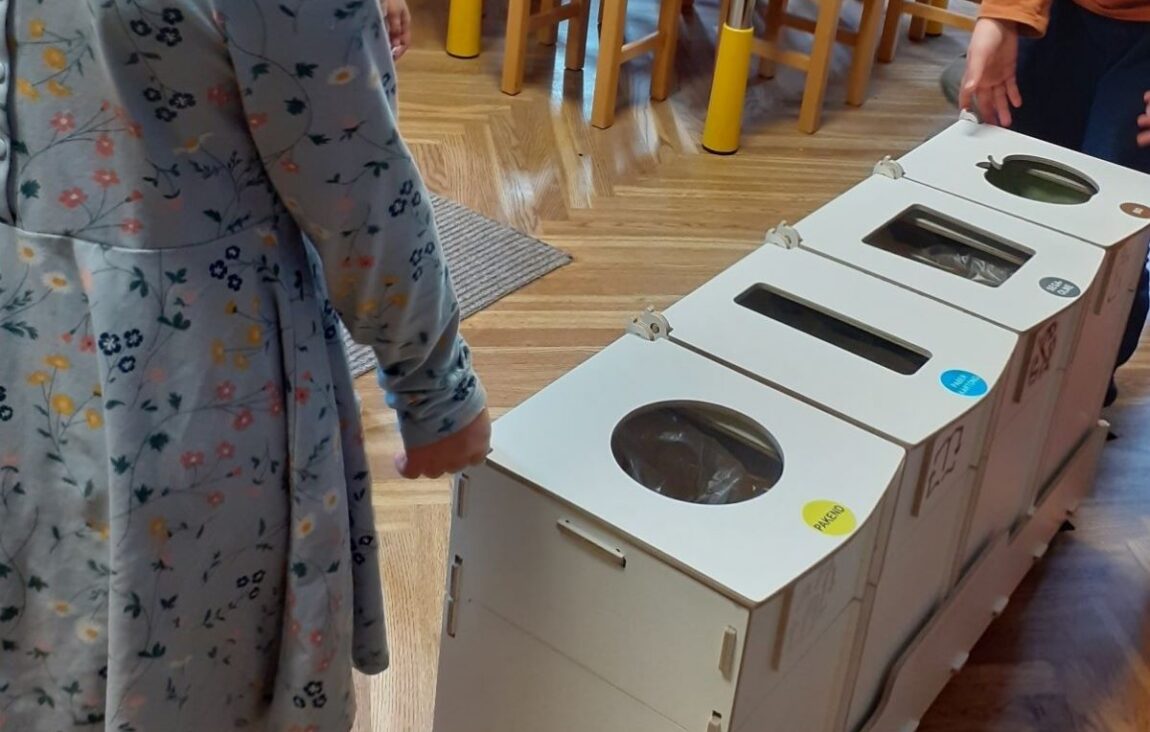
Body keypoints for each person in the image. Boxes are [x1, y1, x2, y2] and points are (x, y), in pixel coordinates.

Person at [0, 0, 490, 729]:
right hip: (191, 367)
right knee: (194, 662)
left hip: (28, 328)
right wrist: (435, 385)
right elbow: (355, 184)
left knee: (48, 638)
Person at [954, 0, 1150, 406]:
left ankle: (1077, 397)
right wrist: (1003, 15)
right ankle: (980, 369)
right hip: (1059, 18)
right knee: (1007, 194)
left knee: (1109, 232)